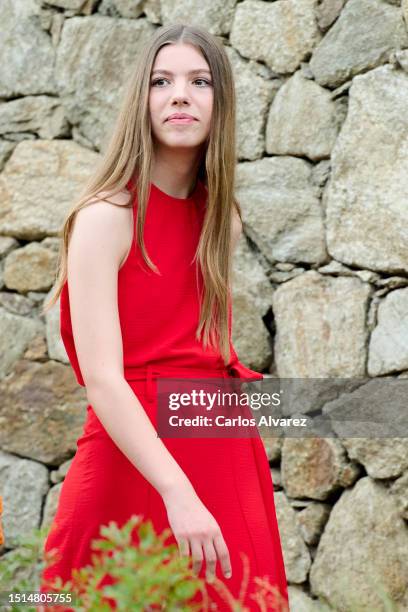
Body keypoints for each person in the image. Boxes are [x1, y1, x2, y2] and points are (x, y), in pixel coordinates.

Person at [38, 23, 289, 611]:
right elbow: (103, 376)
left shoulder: (222, 218)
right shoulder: (106, 217)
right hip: (135, 453)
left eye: (200, 81)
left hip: (220, 439)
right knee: (87, 598)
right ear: (141, 101)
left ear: (220, 103)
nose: (180, 95)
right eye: (162, 81)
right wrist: (177, 491)